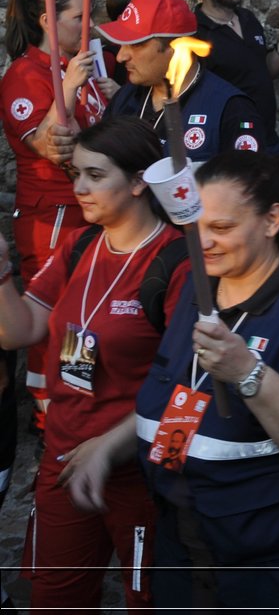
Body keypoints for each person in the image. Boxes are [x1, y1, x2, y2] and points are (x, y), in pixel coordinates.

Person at [67, 152, 279, 611]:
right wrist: (109, 445)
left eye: (222, 228)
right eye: (194, 226)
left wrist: (248, 373)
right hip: (188, 540)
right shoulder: (199, 286)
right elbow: (177, 391)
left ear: (272, 220)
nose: (203, 242)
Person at [0, 118, 182, 611]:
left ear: (141, 181)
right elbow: (19, 332)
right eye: (76, 173)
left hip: (138, 474)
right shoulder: (79, 244)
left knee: (150, 601)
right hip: (62, 459)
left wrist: (110, 444)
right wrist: (1, 272)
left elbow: (186, 386)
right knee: (55, 600)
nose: (78, 187)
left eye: (95, 175)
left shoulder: (175, 262)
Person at [5, 0, 111, 427]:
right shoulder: (23, 76)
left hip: (90, 213)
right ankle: (54, 420)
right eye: (78, 18)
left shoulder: (75, 67)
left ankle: (79, 401)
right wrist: (68, 87)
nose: (89, 26)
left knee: (83, 317)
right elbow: (51, 147)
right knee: (56, 320)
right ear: (49, 20)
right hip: (54, 220)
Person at [104, 0, 265, 161]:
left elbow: (249, 183)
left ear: (177, 48)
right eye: (122, 45)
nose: (121, 56)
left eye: (135, 45)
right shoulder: (125, 98)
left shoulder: (230, 108)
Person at [189, 0, 279, 154]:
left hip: (267, 139)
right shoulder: (196, 34)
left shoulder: (247, 19)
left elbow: (261, 72)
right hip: (231, 148)